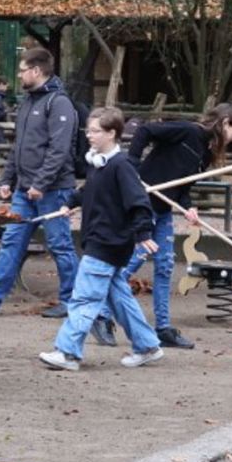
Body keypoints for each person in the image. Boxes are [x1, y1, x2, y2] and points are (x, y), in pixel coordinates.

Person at [94, 104, 232, 350]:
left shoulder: (206, 153)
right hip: (144, 203)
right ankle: (101, 315)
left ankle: (163, 328)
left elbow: (183, 187)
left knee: (164, 266)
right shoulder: (187, 131)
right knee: (132, 262)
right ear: (226, 122)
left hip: (163, 210)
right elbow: (146, 131)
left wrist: (189, 207)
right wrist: (132, 165)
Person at [39, 107, 163, 372]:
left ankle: (68, 352)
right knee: (120, 299)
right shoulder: (98, 163)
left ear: (112, 133)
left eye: (95, 131)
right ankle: (147, 346)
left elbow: (139, 202)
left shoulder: (121, 166)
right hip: (103, 240)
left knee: (84, 298)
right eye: (89, 130)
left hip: (107, 243)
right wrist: (71, 202)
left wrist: (143, 233)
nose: (89, 135)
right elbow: (91, 190)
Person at [0, 47, 80, 318]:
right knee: (11, 241)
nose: (19, 75)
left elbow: (59, 149)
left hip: (53, 190)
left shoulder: (59, 103)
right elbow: (18, 146)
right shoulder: (28, 102)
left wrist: (41, 183)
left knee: (60, 244)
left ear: (36, 71)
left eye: (22, 70)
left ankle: (73, 301)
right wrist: (8, 178)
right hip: (25, 190)